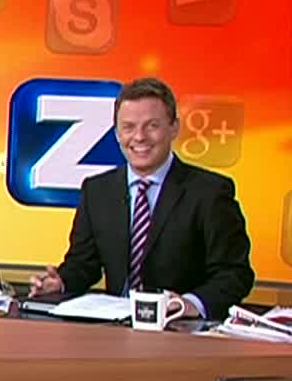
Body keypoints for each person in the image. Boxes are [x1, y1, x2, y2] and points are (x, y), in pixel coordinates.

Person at [28, 77, 254, 320]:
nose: (139, 137)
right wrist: (60, 282)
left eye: (152, 126)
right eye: (128, 127)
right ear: (117, 133)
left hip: (178, 327)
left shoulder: (209, 192)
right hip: (114, 326)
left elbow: (235, 274)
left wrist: (190, 304)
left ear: (174, 128)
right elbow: (84, 265)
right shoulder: (97, 191)